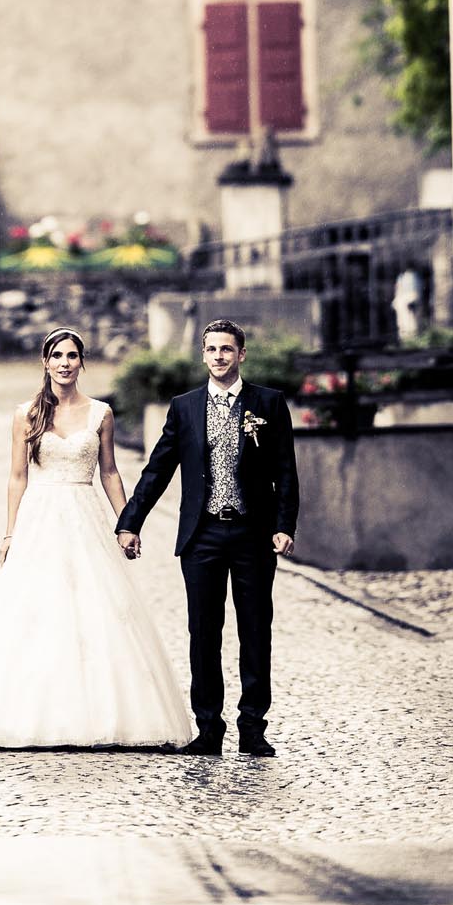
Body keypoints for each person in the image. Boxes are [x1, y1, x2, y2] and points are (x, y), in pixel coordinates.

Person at [0, 326, 191, 750]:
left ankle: (102, 713)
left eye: (72, 356)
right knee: (36, 607)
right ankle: (27, 712)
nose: (65, 363)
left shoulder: (100, 413)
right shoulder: (26, 413)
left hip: (84, 514)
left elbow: (108, 471)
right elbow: (17, 476)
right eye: (57, 356)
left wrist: (126, 523)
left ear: (81, 363)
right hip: (41, 517)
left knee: (95, 606)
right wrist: (10, 532)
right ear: (45, 362)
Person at [115, 320, 299, 757]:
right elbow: (158, 469)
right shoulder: (184, 407)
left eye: (227, 349)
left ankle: (253, 727)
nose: (219, 356)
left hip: (253, 534)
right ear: (203, 355)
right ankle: (209, 728)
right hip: (202, 536)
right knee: (204, 633)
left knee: (256, 631)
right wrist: (130, 522)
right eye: (212, 349)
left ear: (242, 354)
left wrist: (283, 525)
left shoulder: (268, 404)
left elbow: (285, 471)